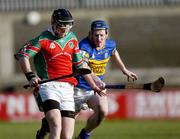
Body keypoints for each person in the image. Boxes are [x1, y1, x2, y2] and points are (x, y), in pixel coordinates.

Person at [35, 20, 138, 139]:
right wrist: (97, 81)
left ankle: (85, 134)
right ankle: (44, 128)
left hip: (94, 90)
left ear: (106, 34)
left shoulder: (110, 44)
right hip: (76, 90)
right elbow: (84, 67)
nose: (99, 39)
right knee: (61, 128)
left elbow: (114, 52)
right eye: (96, 35)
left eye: (102, 35)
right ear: (90, 34)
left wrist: (124, 69)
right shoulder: (84, 47)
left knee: (103, 111)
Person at [14, 9, 103, 139]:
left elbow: (81, 65)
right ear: (53, 24)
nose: (65, 31)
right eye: (62, 27)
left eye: (68, 27)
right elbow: (23, 56)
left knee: (66, 136)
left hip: (67, 89)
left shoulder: (72, 39)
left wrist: (93, 85)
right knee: (56, 124)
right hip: (48, 87)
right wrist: (31, 76)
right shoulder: (43, 38)